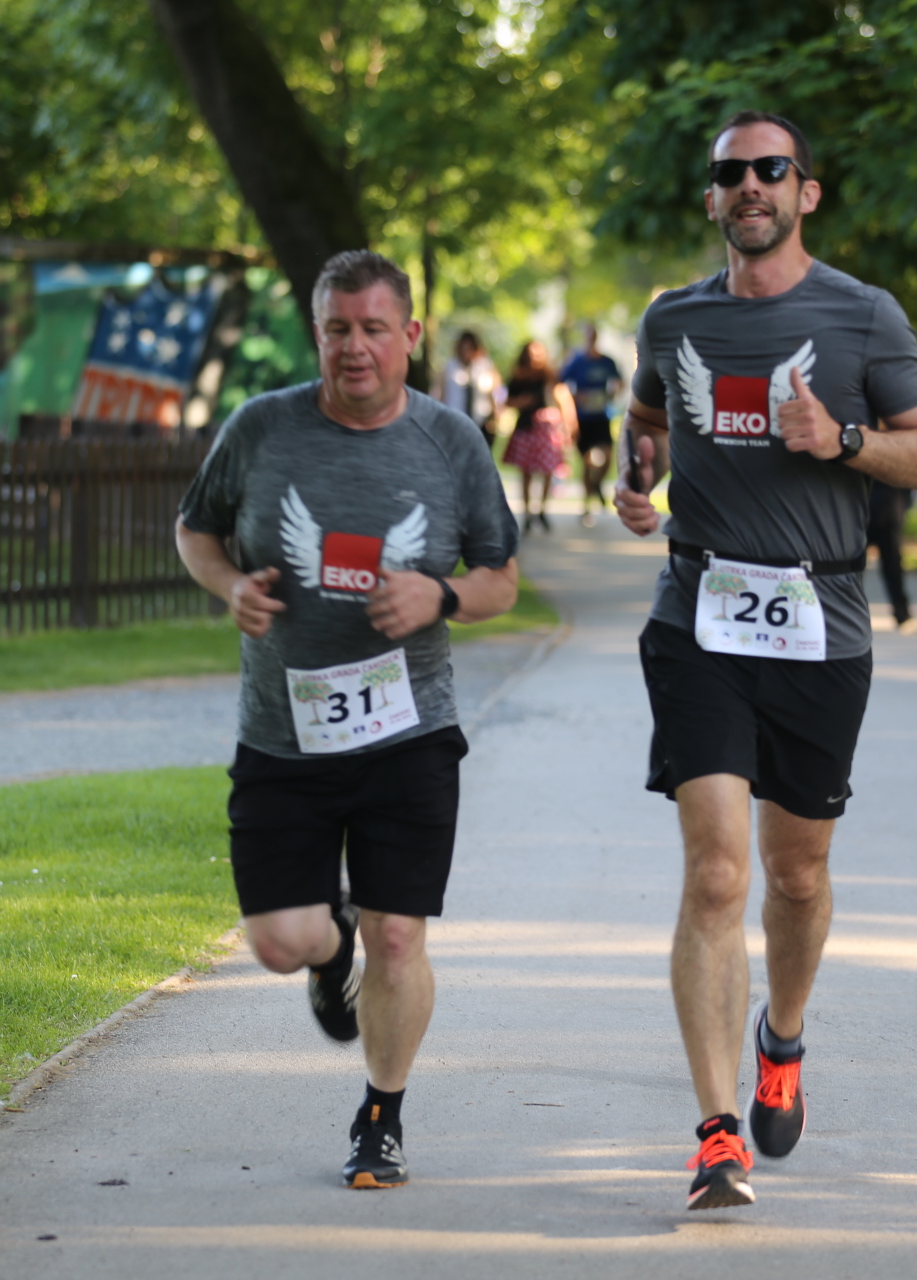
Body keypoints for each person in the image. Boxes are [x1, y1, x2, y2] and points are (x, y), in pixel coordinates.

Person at [613, 110, 917, 1210]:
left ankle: (784, 1036)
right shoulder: (672, 319)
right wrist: (638, 478)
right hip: (698, 610)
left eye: (771, 169)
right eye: (730, 172)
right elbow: (647, 417)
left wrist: (845, 441)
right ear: (711, 197)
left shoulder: (862, 316)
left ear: (807, 191)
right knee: (717, 869)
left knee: (796, 873)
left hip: (820, 621)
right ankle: (718, 1131)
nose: (750, 185)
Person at [174, 250, 521, 1191]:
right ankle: (331, 952)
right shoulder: (262, 429)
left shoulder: (452, 443)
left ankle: (382, 1113)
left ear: (409, 336)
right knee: (280, 941)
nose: (356, 348)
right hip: (283, 731)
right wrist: (230, 585)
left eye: (375, 329)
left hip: (409, 730)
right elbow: (196, 529)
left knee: (399, 935)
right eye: (339, 329)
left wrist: (440, 595)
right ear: (317, 333)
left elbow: (501, 579)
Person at [501, 340, 577, 533]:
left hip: (545, 428)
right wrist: (522, 402)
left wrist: (569, 423)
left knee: (547, 470)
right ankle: (527, 512)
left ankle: (542, 510)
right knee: (526, 472)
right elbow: (507, 401)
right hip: (525, 427)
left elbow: (562, 396)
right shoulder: (518, 376)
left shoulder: (549, 374)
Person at [560, 323, 625, 525]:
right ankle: (587, 506)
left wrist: (613, 393)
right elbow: (561, 384)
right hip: (582, 418)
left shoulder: (606, 361)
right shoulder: (576, 361)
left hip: (601, 416)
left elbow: (620, 382)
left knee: (605, 458)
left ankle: (597, 485)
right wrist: (574, 398)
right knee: (588, 461)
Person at [436, 330, 502, 447]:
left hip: (481, 421)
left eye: (470, 348)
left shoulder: (485, 366)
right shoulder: (450, 367)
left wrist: (495, 416)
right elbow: (441, 393)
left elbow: (494, 392)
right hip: (455, 420)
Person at [866, 481, 912, 631]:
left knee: (892, 566)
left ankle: (901, 612)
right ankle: (901, 612)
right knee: (853, 566)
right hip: (871, 508)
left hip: (888, 509)